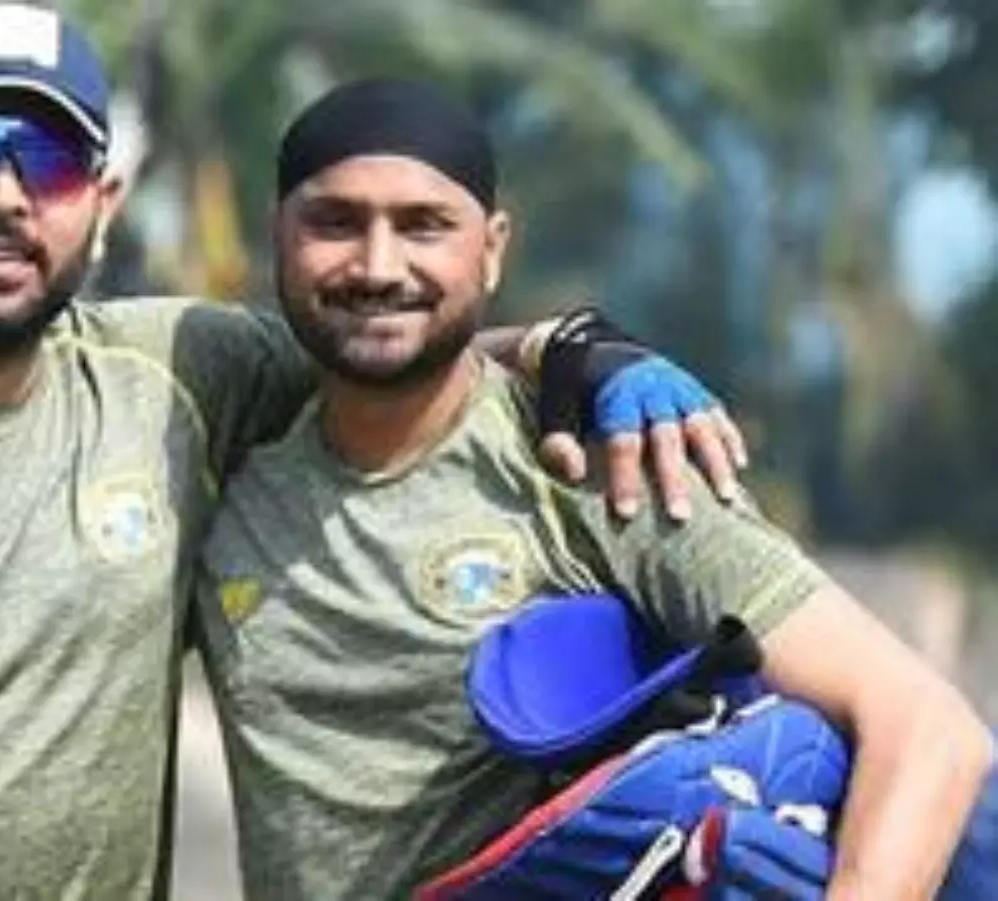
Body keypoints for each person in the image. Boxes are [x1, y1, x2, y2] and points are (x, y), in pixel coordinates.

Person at [0, 6, 744, 900]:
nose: (6, 196)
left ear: (101, 208)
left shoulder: (181, 376)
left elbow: (390, 333)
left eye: (50, 161)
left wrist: (580, 349)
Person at [192, 78, 995, 901]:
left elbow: (930, 732)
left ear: (492, 249)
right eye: (335, 222)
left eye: (424, 225)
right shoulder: (218, 473)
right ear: (278, 234)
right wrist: (552, 338)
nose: (378, 265)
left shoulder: (606, 466)